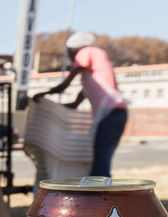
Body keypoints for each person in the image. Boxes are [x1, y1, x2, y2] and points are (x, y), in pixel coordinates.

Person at [33, 31, 129, 177]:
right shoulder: (93, 76)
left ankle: (102, 198)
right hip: (116, 114)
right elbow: (74, 104)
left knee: (100, 168)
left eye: (70, 53)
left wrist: (44, 94)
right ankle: (101, 196)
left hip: (110, 114)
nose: (72, 58)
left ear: (74, 49)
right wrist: (51, 107)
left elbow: (67, 83)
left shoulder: (87, 52)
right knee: (99, 163)